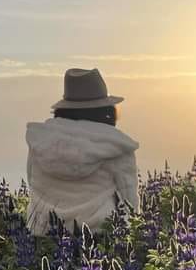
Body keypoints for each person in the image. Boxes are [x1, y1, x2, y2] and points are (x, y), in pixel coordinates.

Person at [25, 68, 139, 235]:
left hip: (42, 234)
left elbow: (31, 181)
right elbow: (130, 202)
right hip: (99, 236)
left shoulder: (42, 139)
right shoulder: (115, 145)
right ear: (105, 109)